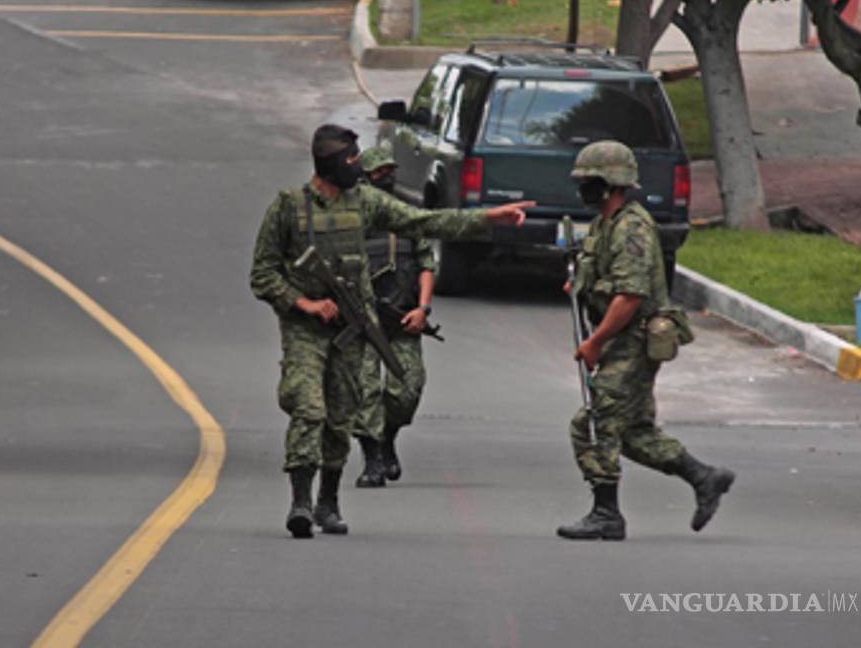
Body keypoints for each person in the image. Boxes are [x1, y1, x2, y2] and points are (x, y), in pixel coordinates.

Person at [250, 125, 533, 538]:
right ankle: (300, 501)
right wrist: (305, 303)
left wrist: (488, 218)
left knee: (341, 416)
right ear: (329, 162)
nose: (357, 166)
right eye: (350, 159)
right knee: (309, 409)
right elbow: (263, 273)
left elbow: (424, 220)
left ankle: (328, 502)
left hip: (351, 327)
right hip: (305, 330)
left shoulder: (364, 203)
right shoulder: (288, 208)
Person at [557, 141, 734, 541]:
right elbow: (603, 276)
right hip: (620, 338)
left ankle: (607, 515)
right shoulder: (606, 223)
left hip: (632, 341)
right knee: (633, 432)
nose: (584, 188)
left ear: (614, 183)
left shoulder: (631, 228)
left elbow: (630, 297)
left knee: (595, 423)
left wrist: (595, 343)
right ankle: (705, 477)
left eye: (592, 181)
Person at [352, 144, 435, 488]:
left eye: (390, 170)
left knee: (407, 390)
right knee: (365, 390)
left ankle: (388, 436)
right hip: (363, 320)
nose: (386, 176)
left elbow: (426, 263)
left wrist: (423, 308)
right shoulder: (351, 215)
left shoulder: (407, 213)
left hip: (403, 317)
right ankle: (372, 459)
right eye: (378, 172)